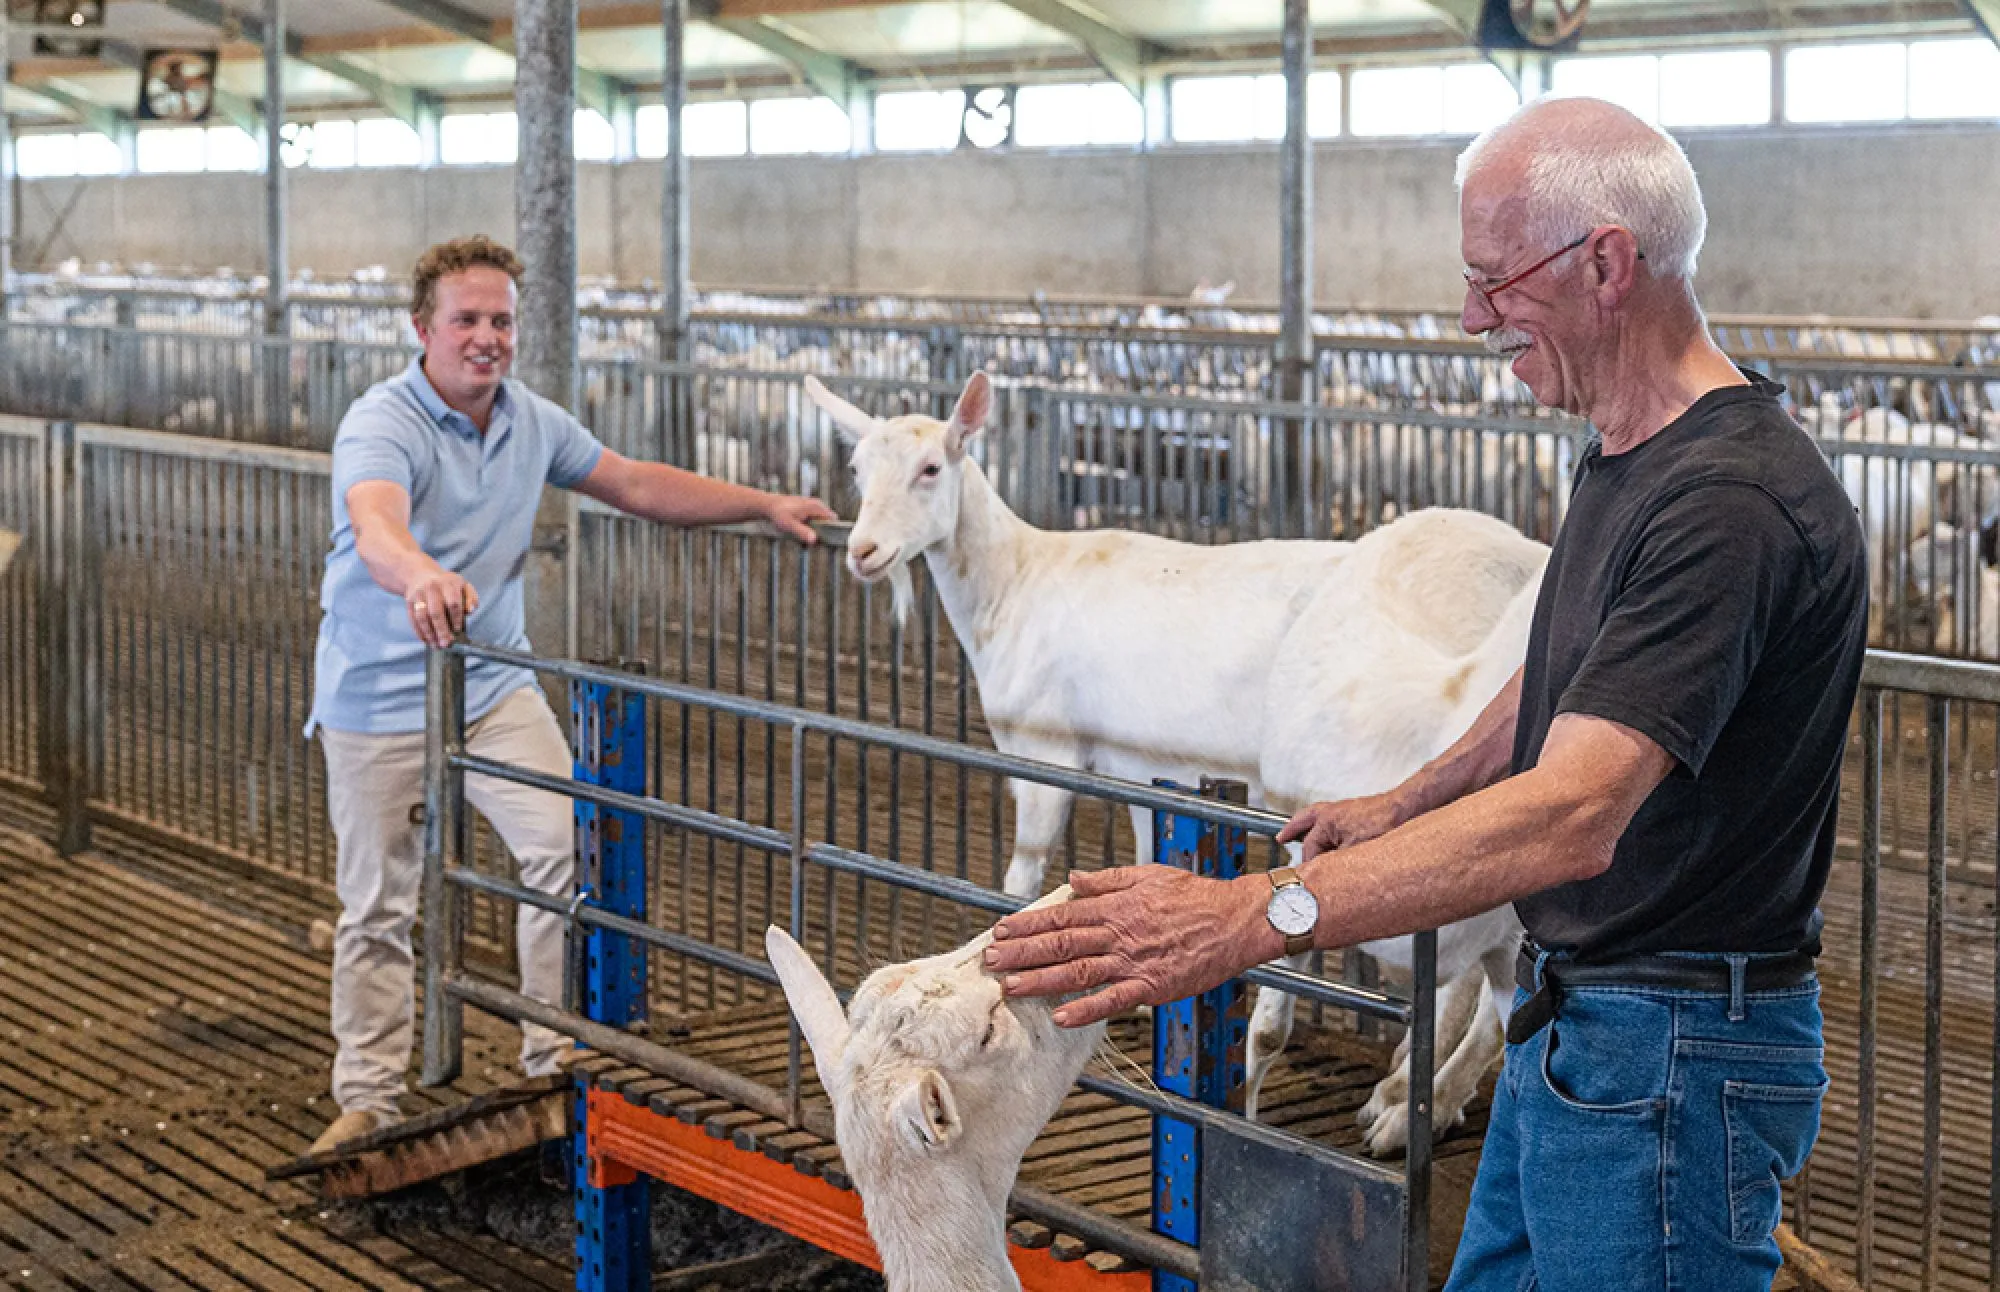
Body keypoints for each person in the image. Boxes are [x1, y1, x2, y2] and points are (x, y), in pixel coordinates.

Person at [983, 96, 1867, 1291]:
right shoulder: (1634, 449)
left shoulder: (1727, 501)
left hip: (1669, 1054)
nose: (1470, 317)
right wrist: (1413, 790)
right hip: (1577, 1023)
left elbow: (1571, 810)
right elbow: (1574, 666)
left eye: (1494, 280)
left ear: (1605, 262)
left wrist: (1250, 915)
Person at [306, 235, 834, 1154]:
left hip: (492, 681)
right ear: (422, 328)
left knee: (565, 850)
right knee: (379, 904)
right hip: (378, 692)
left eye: (501, 320)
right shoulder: (381, 422)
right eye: (466, 319)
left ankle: (552, 1059)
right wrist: (422, 572)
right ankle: (369, 1098)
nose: (486, 338)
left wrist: (763, 501)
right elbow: (376, 523)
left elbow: (630, 481)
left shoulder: (533, 422)